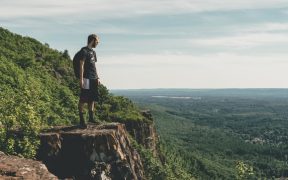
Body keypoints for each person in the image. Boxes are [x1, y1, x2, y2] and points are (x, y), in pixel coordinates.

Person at [78, 34, 101, 128]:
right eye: (97, 41)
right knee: (83, 99)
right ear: (92, 40)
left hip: (93, 78)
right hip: (86, 78)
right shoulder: (84, 51)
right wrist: (81, 79)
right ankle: (82, 120)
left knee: (92, 99)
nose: (98, 43)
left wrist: (97, 77)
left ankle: (91, 118)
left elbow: (94, 66)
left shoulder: (93, 52)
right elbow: (81, 66)